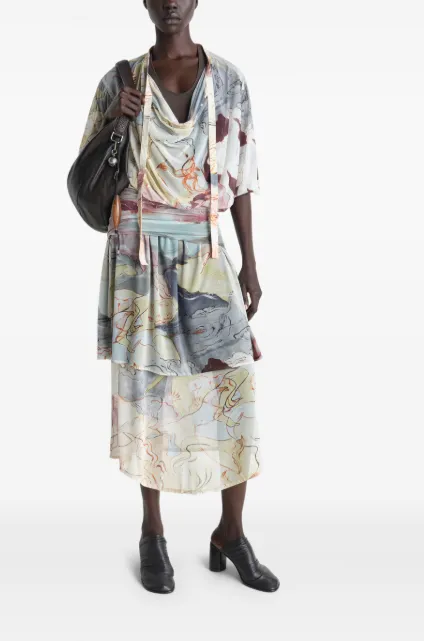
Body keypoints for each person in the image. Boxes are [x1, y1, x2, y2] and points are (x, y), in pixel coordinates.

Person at [77, 0, 279, 594]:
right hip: (138, 256)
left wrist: (250, 263)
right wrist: (116, 120)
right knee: (151, 394)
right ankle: (152, 533)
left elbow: (241, 176)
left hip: (205, 250)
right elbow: (85, 178)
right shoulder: (119, 82)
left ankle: (231, 533)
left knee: (233, 387)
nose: (170, 2)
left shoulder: (228, 80)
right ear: (144, 1)